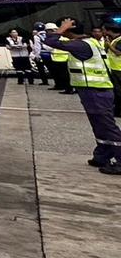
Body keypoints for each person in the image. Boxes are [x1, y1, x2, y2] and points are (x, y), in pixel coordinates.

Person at [45, 18, 121, 173]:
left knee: (107, 126)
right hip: (93, 91)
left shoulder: (81, 45)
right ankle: (102, 155)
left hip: (96, 91)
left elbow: (50, 41)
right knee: (99, 126)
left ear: (68, 30)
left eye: (63, 28)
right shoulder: (90, 42)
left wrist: (61, 29)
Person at [45, 21, 74, 94]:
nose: (47, 32)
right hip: (57, 59)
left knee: (66, 76)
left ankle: (69, 89)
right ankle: (64, 87)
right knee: (61, 75)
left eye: (48, 31)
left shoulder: (61, 38)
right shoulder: (57, 38)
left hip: (64, 59)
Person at [108, 24, 121, 117]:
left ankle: (118, 111)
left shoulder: (119, 40)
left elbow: (118, 53)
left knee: (118, 91)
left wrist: (108, 45)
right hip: (115, 68)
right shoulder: (115, 40)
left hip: (119, 69)